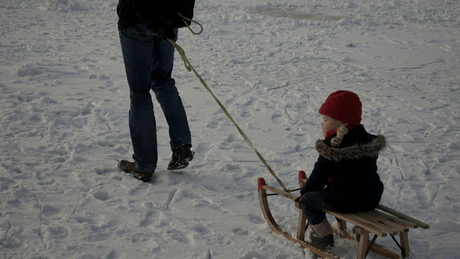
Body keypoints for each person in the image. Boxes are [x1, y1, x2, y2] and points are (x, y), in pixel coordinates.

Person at [116, 0, 196, 182]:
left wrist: (160, 21)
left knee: (140, 92)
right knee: (163, 82)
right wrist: (177, 17)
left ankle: (144, 164)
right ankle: (181, 146)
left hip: (138, 21)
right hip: (166, 22)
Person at [299, 90, 386, 248]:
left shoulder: (331, 148)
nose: (322, 124)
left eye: (325, 120)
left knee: (307, 201)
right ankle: (359, 230)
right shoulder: (368, 141)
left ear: (338, 123)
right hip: (372, 197)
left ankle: (322, 236)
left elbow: (319, 177)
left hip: (345, 200)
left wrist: (304, 193)